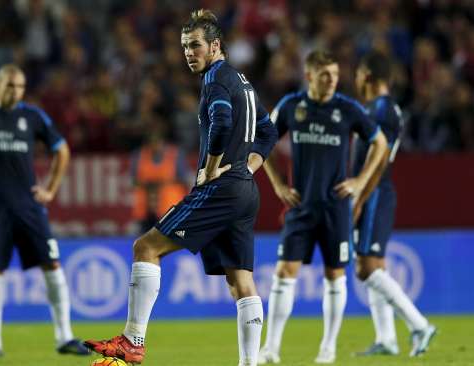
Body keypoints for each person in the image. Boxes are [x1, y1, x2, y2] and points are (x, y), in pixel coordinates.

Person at [85, 9, 278, 366]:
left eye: (195, 46)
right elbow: (268, 132)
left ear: (216, 45)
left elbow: (221, 123)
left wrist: (208, 168)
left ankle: (132, 341)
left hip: (220, 188)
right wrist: (250, 165)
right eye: (185, 47)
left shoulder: (218, 80)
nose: (189, 53)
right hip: (244, 189)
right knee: (241, 282)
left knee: (146, 248)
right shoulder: (243, 82)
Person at [258, 50, 388, 364]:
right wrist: (277, 185)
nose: (332, 80)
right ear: (309, 76)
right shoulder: (292, 106)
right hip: (301, 206)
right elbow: (262, 141)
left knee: (335, 275)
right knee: (284, 272)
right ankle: (271, 349)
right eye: (325, 74)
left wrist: (358, 182)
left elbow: (380, 143)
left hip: (336, 208)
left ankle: (328, 348)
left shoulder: (347, 109)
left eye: (335, 74)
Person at [0, 64, 89, 358]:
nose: (15, 91)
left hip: (29, 206)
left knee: (53, 265)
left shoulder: (32, 116)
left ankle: (65, 337)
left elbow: (62, 149)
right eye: (9, 85)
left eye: (19, 86)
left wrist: (51, 189)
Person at [352, 51, 436, 357]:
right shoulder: (378, 108)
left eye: (359, 73)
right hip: (372, 191)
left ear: (369, 76)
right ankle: (386, 338)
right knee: (372, 264)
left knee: (366, 267)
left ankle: (419, 326)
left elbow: (378, 161)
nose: (357, 79)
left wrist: (360, 198)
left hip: (375, 191)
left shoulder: (383, 109)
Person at [131, 128, 189, 232]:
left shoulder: (175, 155)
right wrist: (148, 185)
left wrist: (161, 183)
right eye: (152, 142)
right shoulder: (139, 155)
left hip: (169, 208)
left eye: (157, 142)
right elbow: (134, 180)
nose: (155, 146)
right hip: (146, 208)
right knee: (145, 238)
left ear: (163, 142)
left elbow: (184, 179)